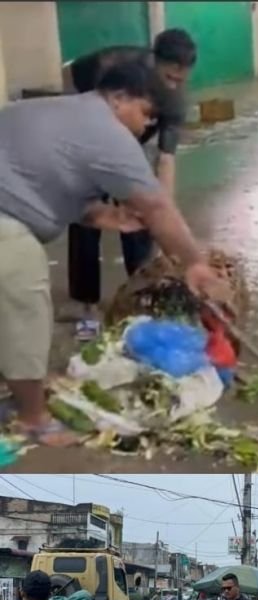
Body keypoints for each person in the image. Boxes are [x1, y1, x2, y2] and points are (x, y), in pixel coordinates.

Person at [0, 59, 231, 446]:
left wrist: (105, 216)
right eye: (145, 113)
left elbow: (41, 179)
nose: (146, 125)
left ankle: (15, 384)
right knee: (25, 306)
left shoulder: (56, 110)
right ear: (119, 98)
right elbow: (157, 206)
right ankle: (32, 419)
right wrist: (194, 263)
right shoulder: (106, 130)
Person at [62, 29, 197, 338]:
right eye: (168, 77)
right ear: (153, 61)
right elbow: (69, 73)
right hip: (93, 137)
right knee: (86, 218)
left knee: (141, 216)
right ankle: (85, 304)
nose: (172, 85)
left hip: (132, 145)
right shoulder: (112, 65)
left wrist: (164, 216)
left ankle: (140, 296)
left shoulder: (174, 102)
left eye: (180, 80)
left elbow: (166, 160)